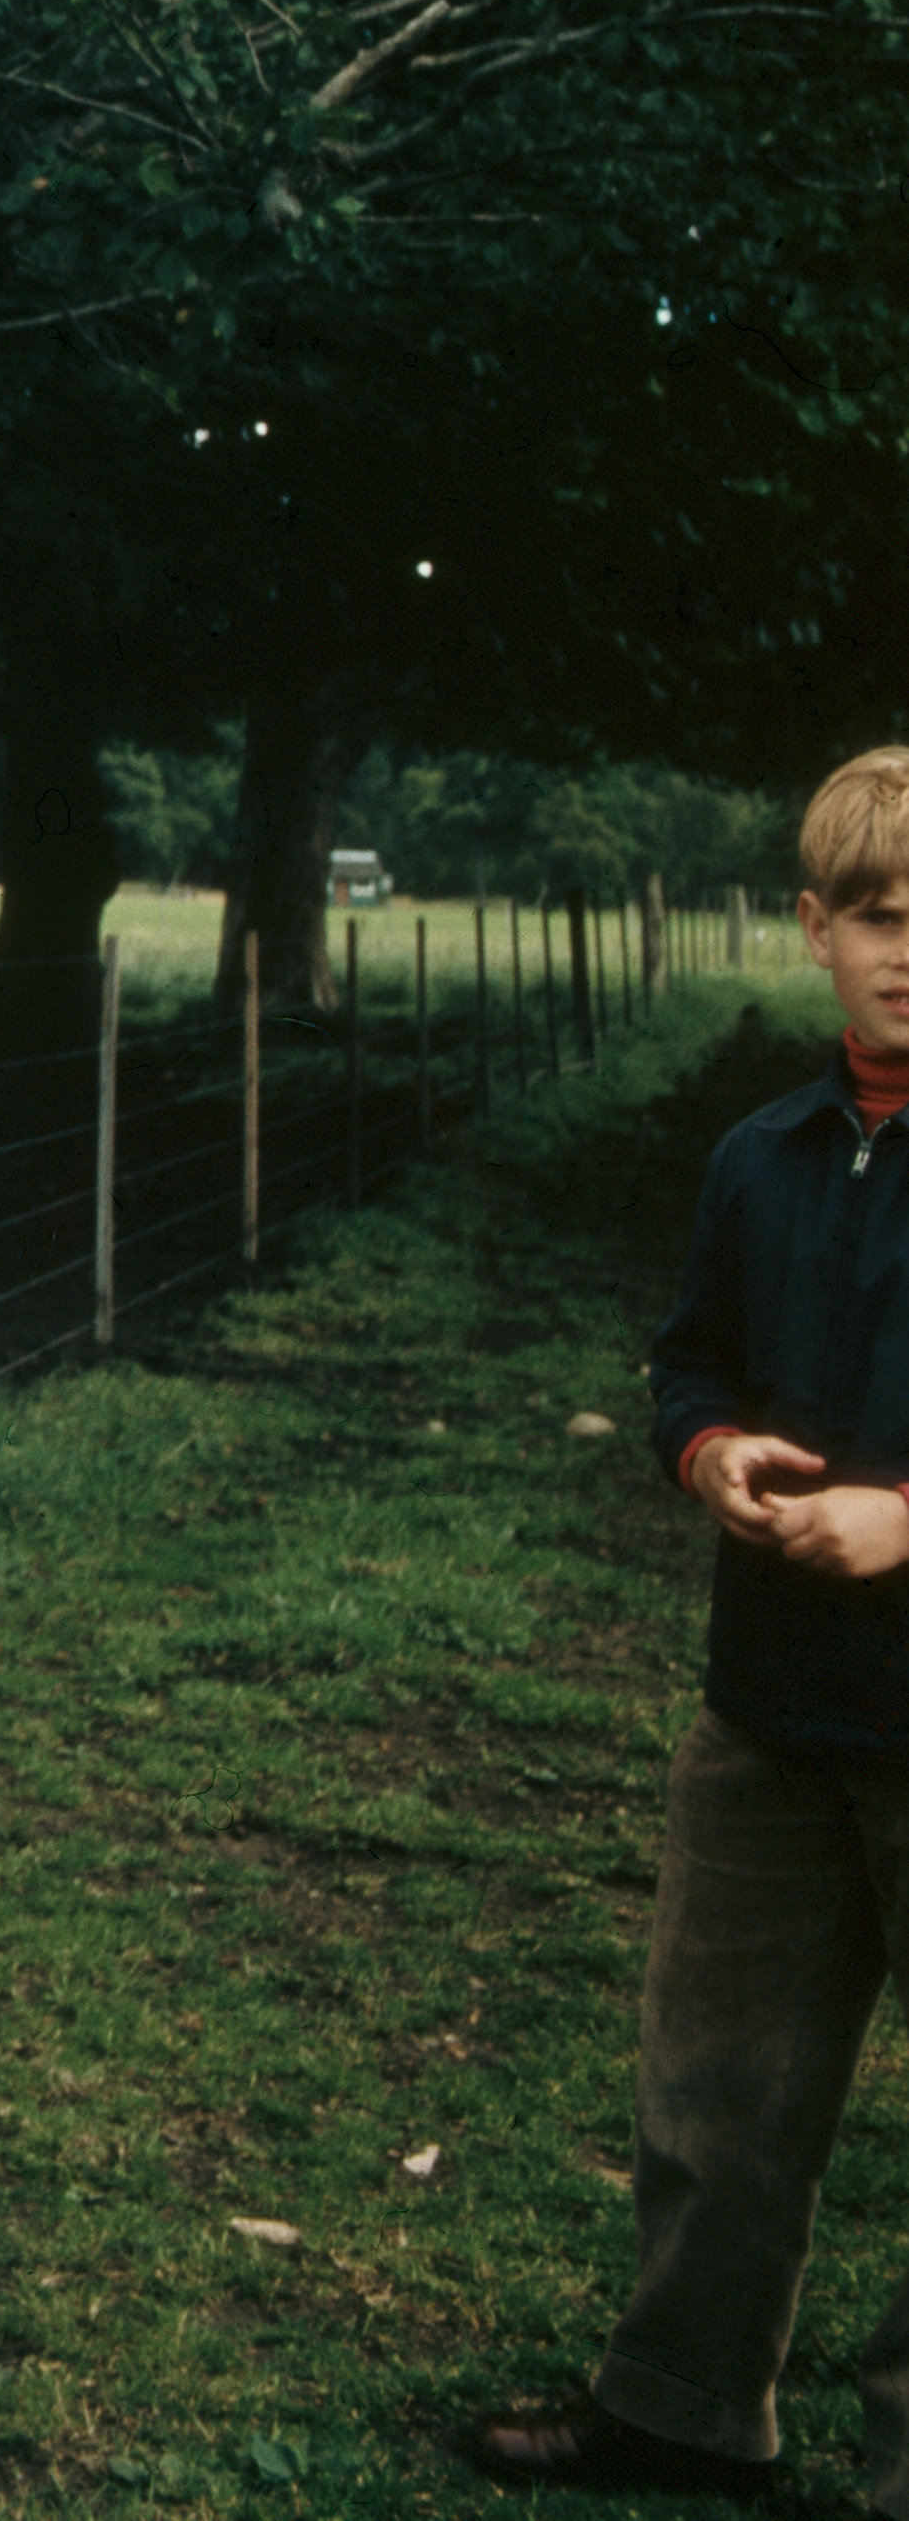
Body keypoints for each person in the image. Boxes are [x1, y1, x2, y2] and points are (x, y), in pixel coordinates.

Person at [477, 748, 909, 2508]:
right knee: (714, 2089)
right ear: (811, 927)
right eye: (877, 913)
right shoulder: (762, 1154)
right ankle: (677, 2401)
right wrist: (711, 1450)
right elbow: (687, 1358)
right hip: (768, 1715)